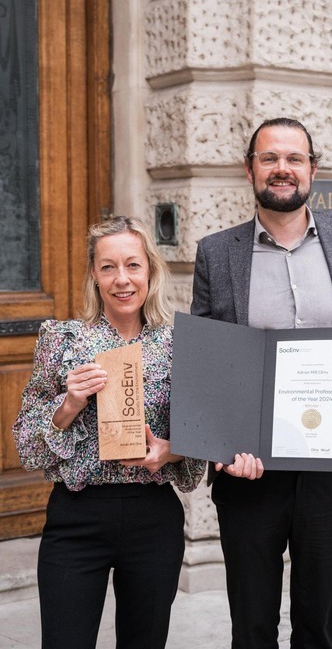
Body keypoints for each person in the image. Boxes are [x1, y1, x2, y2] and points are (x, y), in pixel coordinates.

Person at [191, 117, 332, 649]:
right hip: (249, 466)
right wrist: (219, 445)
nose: (282, 169)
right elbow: (206, 358)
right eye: (270, 158)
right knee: (252, 623)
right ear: (250, 168)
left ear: (312, 169)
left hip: (331, 462)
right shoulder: (217, 252)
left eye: (294, 159)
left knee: (319, 621)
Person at [12, 216, 205, 649]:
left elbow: (197, 457)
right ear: (94, 276)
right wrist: (69, 404)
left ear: (150, 272)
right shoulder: (62, 342)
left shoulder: (178, 347)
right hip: (77, 517)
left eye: (133, 265)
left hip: (153, 517)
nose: (122, 280)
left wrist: (170, 452)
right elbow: (27, 446)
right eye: (108, 267)